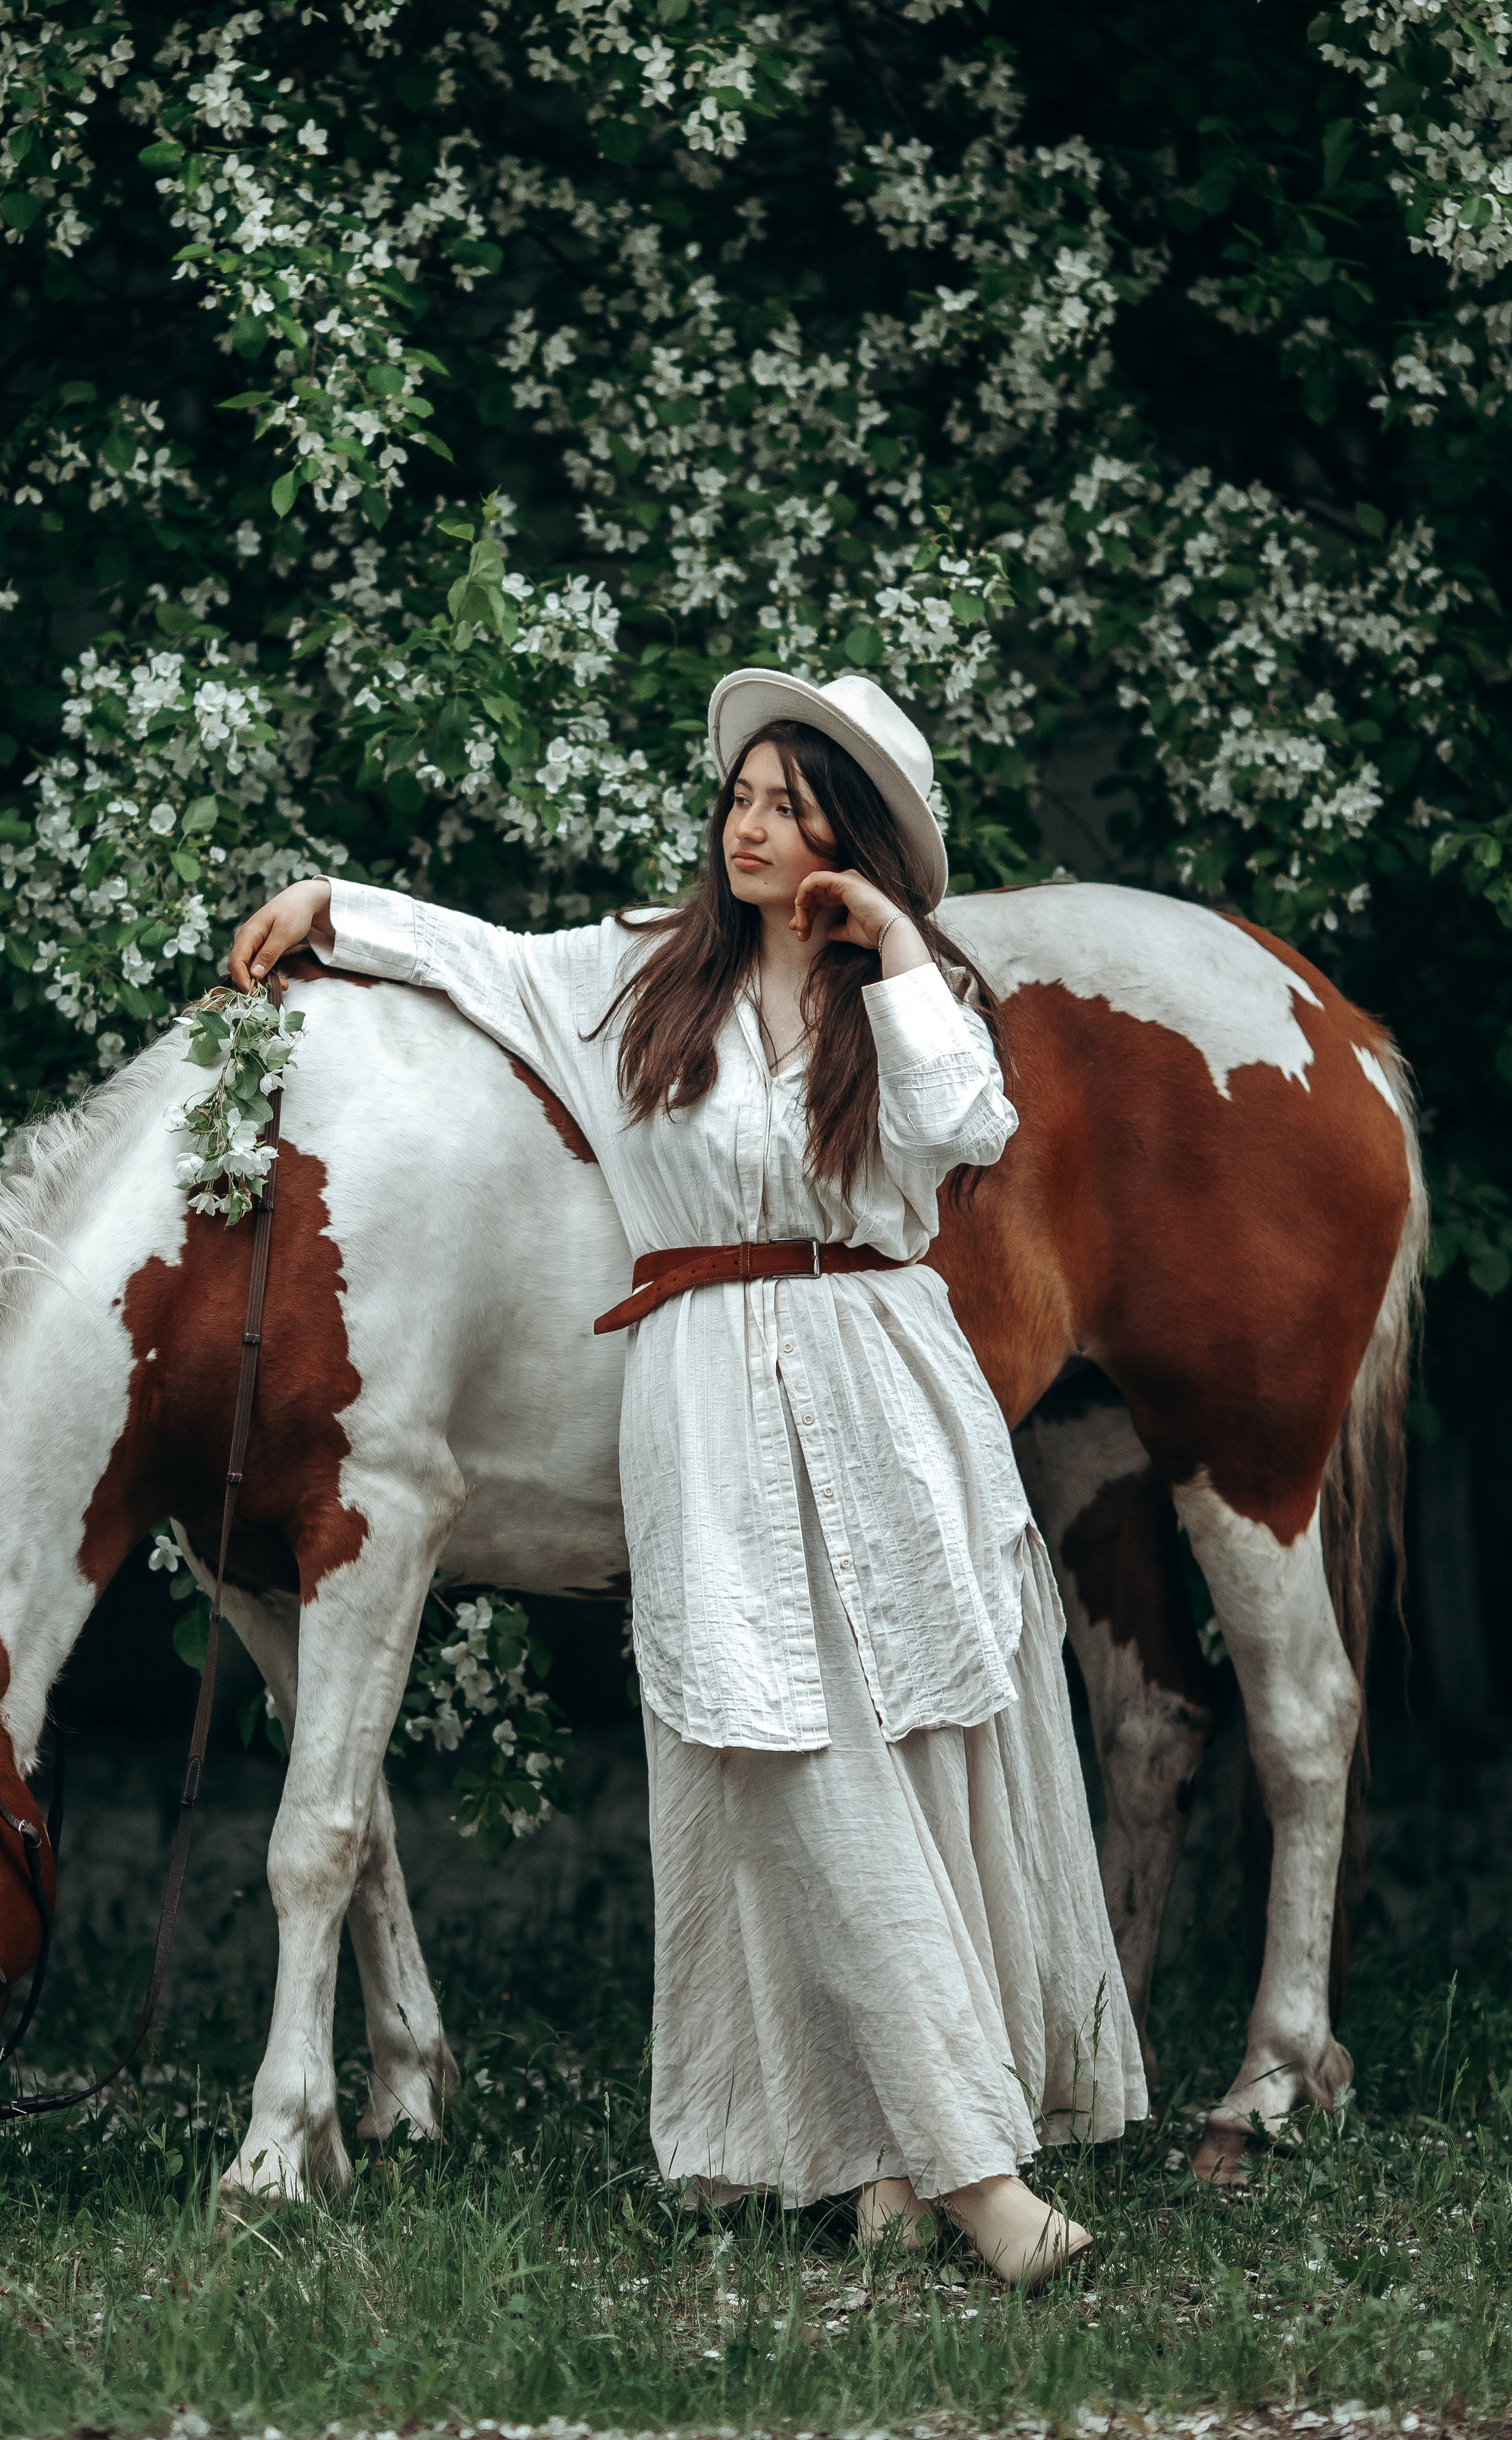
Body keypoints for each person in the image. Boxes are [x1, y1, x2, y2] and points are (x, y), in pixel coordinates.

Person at [229, 668, 1146, 2286]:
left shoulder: (898, 1008)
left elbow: (964, 1134)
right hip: (708, 1395)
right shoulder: (639, 981)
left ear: (851, 844)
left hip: (883, 1379)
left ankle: (883, 2159)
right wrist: (330, 903)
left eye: (793, 807)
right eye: (742, 797)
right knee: (780, 1757)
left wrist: (902, 953)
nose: (750, 826)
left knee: (908, 1756)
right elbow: (481, 959)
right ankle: (978, 2186)